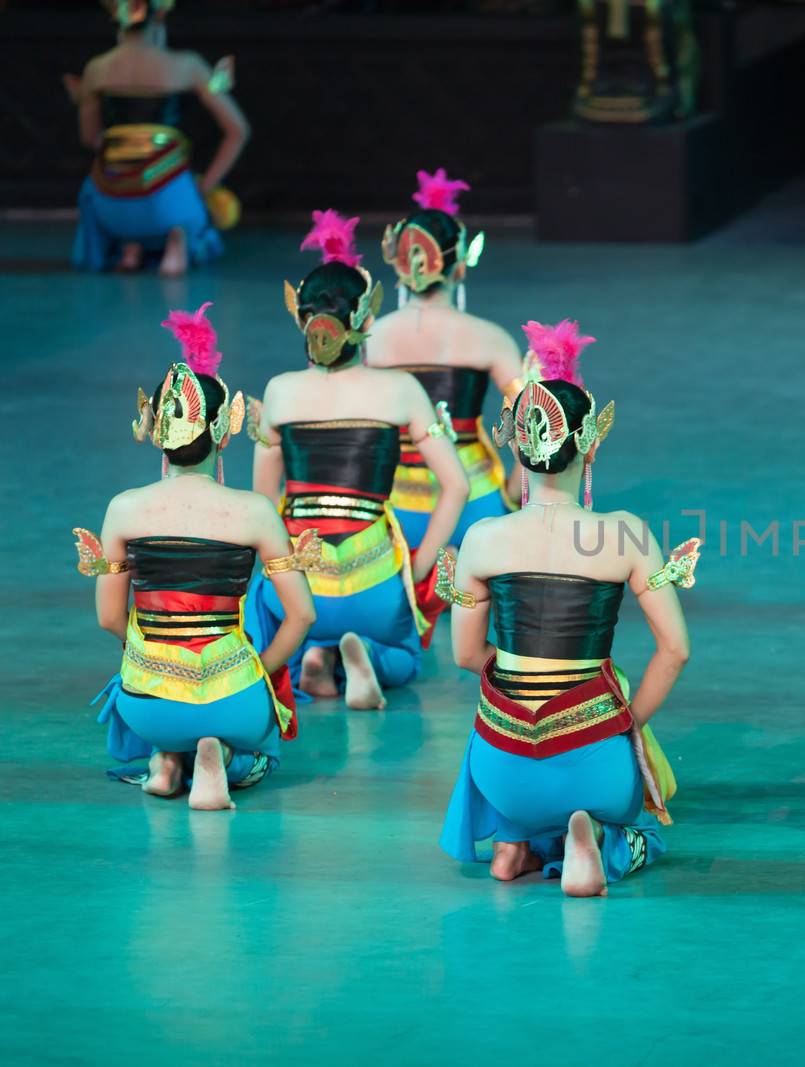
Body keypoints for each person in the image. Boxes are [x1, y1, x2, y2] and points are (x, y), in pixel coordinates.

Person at [439, 327, 690, 896]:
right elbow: (676, 650)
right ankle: (598, 838)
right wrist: (627, 727)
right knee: (641, 816)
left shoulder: (482, 537)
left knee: (498, 695)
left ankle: (513, 842)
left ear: (515, 446)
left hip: (501, 768)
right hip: (594, 756)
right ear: (591, 444)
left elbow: (464, 655)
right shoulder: (626, 534)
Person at [77, 303, 316, 810]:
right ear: (225, 431)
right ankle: (222, 758)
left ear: (154, 430)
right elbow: (302, 615)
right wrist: (258, 668)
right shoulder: (254, 512)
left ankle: (167, 758)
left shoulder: (124, 509)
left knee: (144, 687)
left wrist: (154, 656)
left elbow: (107, 618)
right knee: (261, 746)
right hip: (234, 695)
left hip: (150, 703)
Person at [245, 212, 467, 710]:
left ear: (301, 320)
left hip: (301, 585)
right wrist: (420, 564)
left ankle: (314, 652)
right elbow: (456, 485)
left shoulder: (279, 392)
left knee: (276, 624)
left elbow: (263, 508)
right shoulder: (400, 389)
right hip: (377, 581)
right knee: (407, 658)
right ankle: (364, 651)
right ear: (365, 321)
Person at [366, 168, 524, 548]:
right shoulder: (491, 339)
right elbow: (534, 422)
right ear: (461, 264)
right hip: (477, 503)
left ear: (398, 266)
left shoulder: (370, 339)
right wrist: (512, 497)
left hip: (392, 508)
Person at [69, 0, 248, 276]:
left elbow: (89, 137)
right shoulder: (187, 65)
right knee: (187, 203)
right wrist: (207, 186)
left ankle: (130, 245)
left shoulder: (97, 68)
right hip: (169, 203)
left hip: (111, 204)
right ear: (159, 18)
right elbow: (238, 130)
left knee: (97, 187)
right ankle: (174, 241)